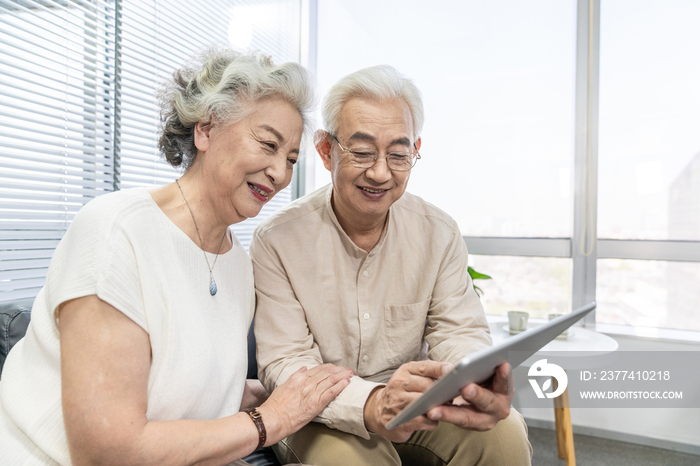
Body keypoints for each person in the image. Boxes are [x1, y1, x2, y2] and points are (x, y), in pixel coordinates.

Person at [0, 47, 352, 466]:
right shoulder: (116, 231)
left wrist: (280, 392)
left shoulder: (238, 264)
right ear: (205, 129)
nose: (279, 172)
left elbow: (175, 388)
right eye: (267, 144)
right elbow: (107, 451)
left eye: (291, 158)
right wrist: (269, 420)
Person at [250, 65, 533, 465]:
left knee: (504, 436)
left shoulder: (438, 232)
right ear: (326, 150)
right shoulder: (277, 240)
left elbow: (459, 330)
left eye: (399, 155)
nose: (380, 172)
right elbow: (286, 362)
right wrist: (369, 404)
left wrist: (473, 379)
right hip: (316, 412)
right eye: (362, 152)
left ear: (415, 150)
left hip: (414, 402)